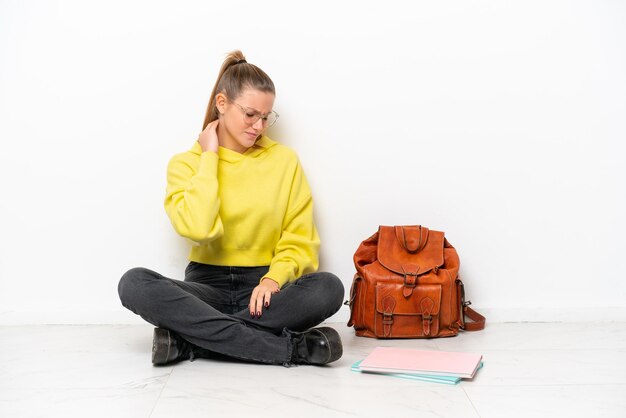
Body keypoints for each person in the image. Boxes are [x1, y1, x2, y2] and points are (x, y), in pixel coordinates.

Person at [117, 50, 344, 367]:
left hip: (265, 289)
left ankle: (191, 342)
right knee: (134, 283)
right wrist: (209, 158)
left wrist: (272, 280)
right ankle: (291, 350)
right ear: (221, 104)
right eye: (250, 114)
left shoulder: (284, 161)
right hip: (206, 290)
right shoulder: (187, 164)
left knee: (328, 288)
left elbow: (299, 238)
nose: (259, 126)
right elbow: (198, 228)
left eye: (266, 117)